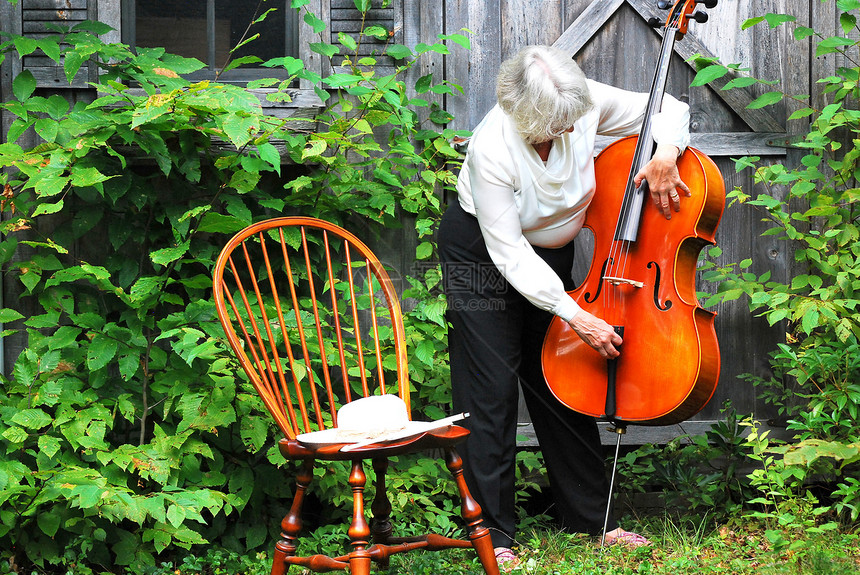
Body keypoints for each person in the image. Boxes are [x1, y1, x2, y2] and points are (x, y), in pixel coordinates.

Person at [437, 45, 691, 567]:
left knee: (562, 377)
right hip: (482, 253)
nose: (561, 133)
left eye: (567, 123)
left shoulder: (582, 103)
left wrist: (665, 153)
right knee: (490, 388)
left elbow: (671, 108)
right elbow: (508, 253)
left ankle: (592, 522)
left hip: (550, 251)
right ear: (519, 113)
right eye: (549, 127)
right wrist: (576, 315)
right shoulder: (492, 148)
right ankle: (494, 536)